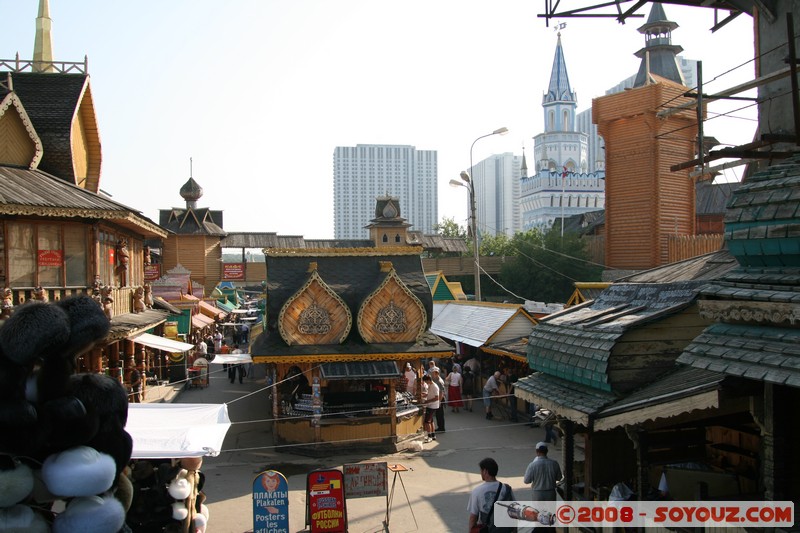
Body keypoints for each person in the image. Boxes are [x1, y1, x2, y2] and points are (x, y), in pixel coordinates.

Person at [467, 457, 515, 533]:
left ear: (485, 471)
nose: (480, 473)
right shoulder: (506, 488)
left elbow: (473, 518)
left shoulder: (477, 491)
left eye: (481, 470)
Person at [421, 374, 439, 443]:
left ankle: (429, 436)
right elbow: (430, 394)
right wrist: (424, 395)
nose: (425, 382)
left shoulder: (434, 386)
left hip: (432, 406)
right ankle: (433, 435)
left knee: (427, 422)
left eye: (425, 381)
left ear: (428, 380)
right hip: (430, 405)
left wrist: (427, 401)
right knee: (431, 421)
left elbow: (436, 398)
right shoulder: (430, 385)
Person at [432, 368, 446, 432]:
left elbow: (441, 392)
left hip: (440, 399)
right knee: (438, 414)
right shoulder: (435, 380)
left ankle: (441, 428)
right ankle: (440, 427)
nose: (432, 374)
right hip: (438, 399)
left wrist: (439, 401)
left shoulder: (439, 381)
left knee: (440, 414)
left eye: (433, 373)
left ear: (437, 373)